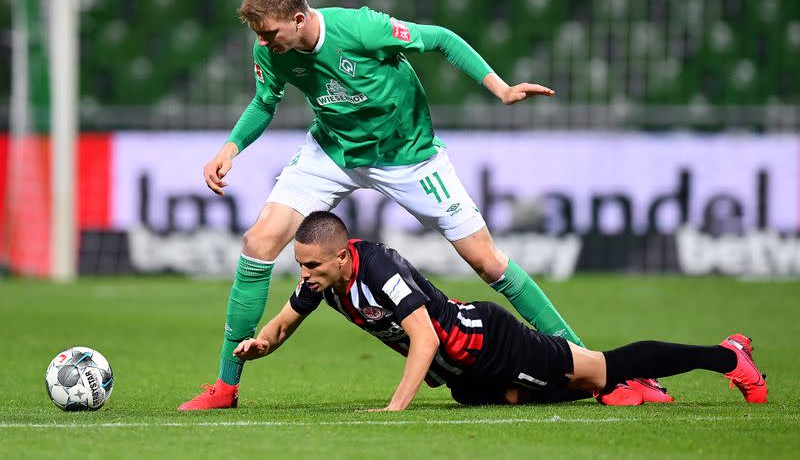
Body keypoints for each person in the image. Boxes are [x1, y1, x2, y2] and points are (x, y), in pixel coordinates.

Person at [178, 0, 663, 410]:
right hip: (333, 152)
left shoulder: (361, 28)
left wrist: (500, 87)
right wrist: (231, 146)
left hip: (408, 156)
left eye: (270, 33)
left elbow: (441, 39)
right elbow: (266, 102)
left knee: (487, 261)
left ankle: (594, 368)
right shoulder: (271, 49)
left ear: (299, 18)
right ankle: (226, 385)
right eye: (259, 35)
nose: (263, 42)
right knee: (258, 243)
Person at [232, 211, 768, 409]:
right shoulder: (323, 278)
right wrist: (260, 346)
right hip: (467, 376)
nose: (303, 275)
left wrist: (395, 409)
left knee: (600, 368)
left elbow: (426, 339)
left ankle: (726, 356)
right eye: (299, 266)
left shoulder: (378, 269)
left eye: (310, 266)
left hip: (490, 343)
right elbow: (282, 324)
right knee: (514, 396)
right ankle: (615, 386)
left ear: (340, 256)